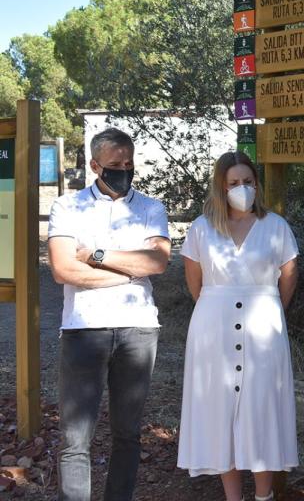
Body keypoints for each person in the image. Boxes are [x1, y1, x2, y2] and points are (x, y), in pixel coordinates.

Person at [48, 127, 171, 501]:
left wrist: (96, 256)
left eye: (128, 164)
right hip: (84, 328)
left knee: (128, 433)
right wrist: (129, 274)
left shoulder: (151, 208)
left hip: (138, 330)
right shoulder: (67, 207)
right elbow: (62, 269)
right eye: (115, 165)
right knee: (75, 439)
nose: (124, 171)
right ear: (94, 165)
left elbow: (158, 261)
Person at [176, 151, 299, 501]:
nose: (242, 188)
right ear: (221, 186)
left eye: (248, 181)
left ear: (256, 184)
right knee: (221, 412)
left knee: (262, 409)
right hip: (213, 329)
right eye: (233, 183)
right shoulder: (202, 228)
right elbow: (195, 283)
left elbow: (289, 276)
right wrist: (218, 308)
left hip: (264, 329)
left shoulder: (276, 226)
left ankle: (263, 495)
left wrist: (270, 310)